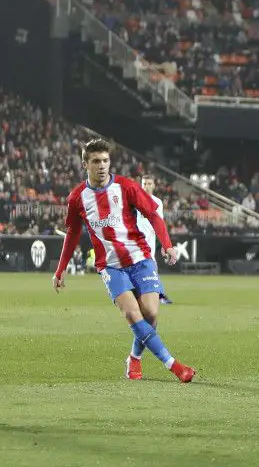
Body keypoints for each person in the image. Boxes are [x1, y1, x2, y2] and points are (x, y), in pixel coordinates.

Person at [52, 139, 196, 383]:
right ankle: (174, 365)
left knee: (150, 314)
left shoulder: (127, 187)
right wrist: (61, 268)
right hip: (110, 266)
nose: (102, 166)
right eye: (96, 161)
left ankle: (134, 358)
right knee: (132, 314)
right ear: (85, 164)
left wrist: (167, 245)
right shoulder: (77, 198)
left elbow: (153, 214)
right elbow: (73, 233)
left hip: (141, 258)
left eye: (105, 160)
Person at [137, 174, 173, 305]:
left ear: (154, 185)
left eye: (149, 184)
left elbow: (160, 224)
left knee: (152, 267)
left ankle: (156, 295)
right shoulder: (134, 200)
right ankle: (158, 295)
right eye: (144, 183)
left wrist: (165, 244)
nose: (146, 186)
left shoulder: (158, 202)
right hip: (136, 241)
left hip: (150, 241)